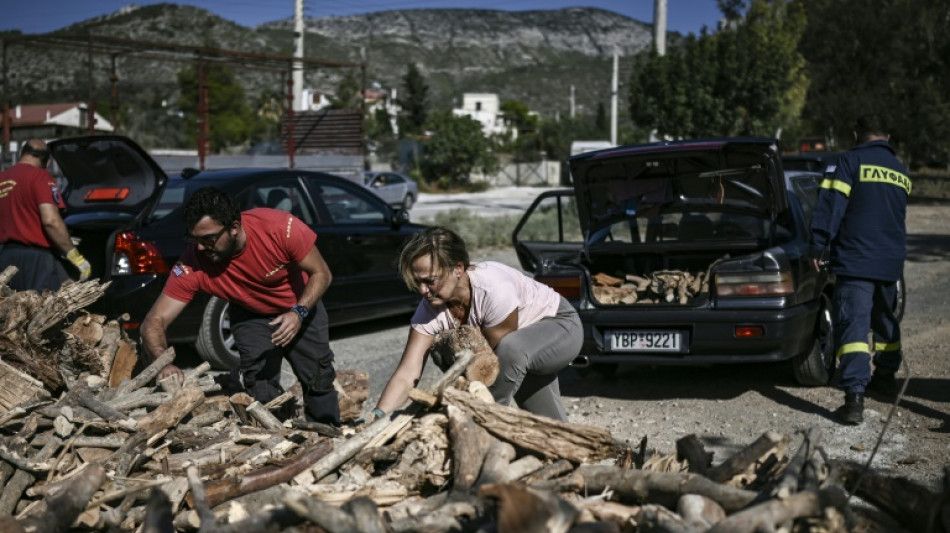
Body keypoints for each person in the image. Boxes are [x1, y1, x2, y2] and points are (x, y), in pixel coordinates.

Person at [141, 187, 340, 425]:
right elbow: (154, 321)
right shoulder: (192, 264)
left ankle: (329, 435)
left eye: (208, 239)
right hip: (251, 315)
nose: (201, 247)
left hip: (301, 306)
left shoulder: (279, 228)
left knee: (318, 379)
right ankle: (274, 441)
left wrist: (298, 313)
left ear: (234, 228)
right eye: (194, 239)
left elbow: (322, 273)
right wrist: (164, 362)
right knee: (260, 385)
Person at [374, 226, 582, 421]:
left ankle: (484, 422)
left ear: (458, 268)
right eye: (418, 282)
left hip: (559, 327)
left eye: (430, 281)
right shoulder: (429, 309)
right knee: (551, 429)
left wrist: (470, 415)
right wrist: (378, 414)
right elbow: (407, 373)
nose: (422, 290)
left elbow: (491, 364)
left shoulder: (493, 288)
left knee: (510, 350)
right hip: (523, 348)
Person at [809, 114, 910, 425]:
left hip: (856, 259)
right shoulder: (900, 170)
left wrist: (818, 244)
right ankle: (885, 377)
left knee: (853, 326)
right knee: (884, 320)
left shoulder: (849, 162)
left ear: (857, 133)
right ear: (887, 136)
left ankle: (854, 399)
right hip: (890, 261)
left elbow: (831, 207)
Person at [0, 138, 91, 291]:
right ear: (47, 163)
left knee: (13, 312)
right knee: (45, 312)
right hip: (36, 262)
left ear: (22, 153)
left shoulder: (2, 179)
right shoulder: (41, 177)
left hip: (6, 258)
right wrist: (75, 256)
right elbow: (51, 221)